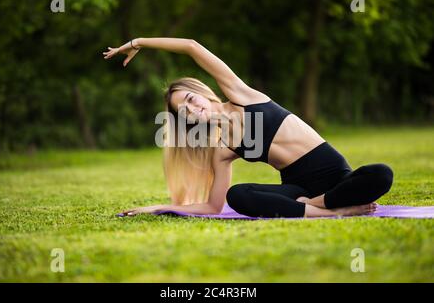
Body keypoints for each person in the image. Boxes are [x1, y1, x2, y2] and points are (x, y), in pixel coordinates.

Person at [103, 37, 393, 218]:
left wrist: (138, 41)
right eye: (185, 111)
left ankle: (318, 206)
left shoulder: (242, 95)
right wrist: (158, 207)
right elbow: (213, 207)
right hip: (296, 189)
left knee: (381, 174)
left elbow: (191, 47)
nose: (193, 109)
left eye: (191, 99)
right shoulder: (221, 149)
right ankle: (332, 211)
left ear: (203, 92)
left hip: (336, 178)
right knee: (237, 195)